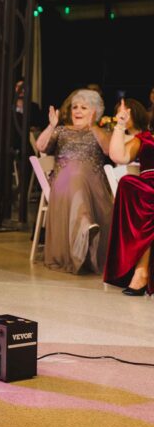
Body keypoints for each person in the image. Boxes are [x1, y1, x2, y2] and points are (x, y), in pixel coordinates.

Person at [35, 89, 112, 275]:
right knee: (74, 173)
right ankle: (84, 225)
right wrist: (51, 125)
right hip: (63, 184)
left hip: (93, 184)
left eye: (84, 108)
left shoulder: (101, 131)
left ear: (95, 111)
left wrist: (93, 126)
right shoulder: (61, 130)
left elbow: (109, 151)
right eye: (75, 107)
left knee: (80, 174)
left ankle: (84, 230)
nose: (77, 111)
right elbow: (41, 146)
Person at [104, 100, 154, 296]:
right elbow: (118, 157)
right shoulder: (146, 139)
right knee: (128, 184)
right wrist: (120, 125)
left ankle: (142, 273)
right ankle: (141, 271)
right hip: (150, 187)